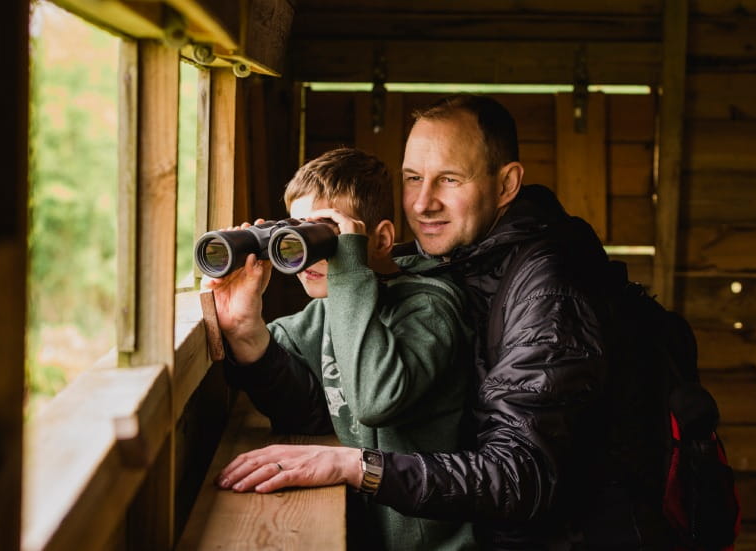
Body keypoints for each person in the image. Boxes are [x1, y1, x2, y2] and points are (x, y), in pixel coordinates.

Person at [216, 95, 671, 549]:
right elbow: (333, 404)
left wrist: (359, 467)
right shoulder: (447, 260)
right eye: (414, 179)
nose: (423, 203)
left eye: (450, 179)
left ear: (506, 184)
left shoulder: (549, 293)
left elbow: (519, 477)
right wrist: (246, 333)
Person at [206, 147, 477, 550]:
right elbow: (302, 404)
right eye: (295, 234)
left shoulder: (429, 307)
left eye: (323, 236)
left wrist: (349, 268)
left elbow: (374, 400)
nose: (305, 256)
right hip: (363, 530)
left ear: (380, 239)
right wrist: (246, 328)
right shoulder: (329, 308)